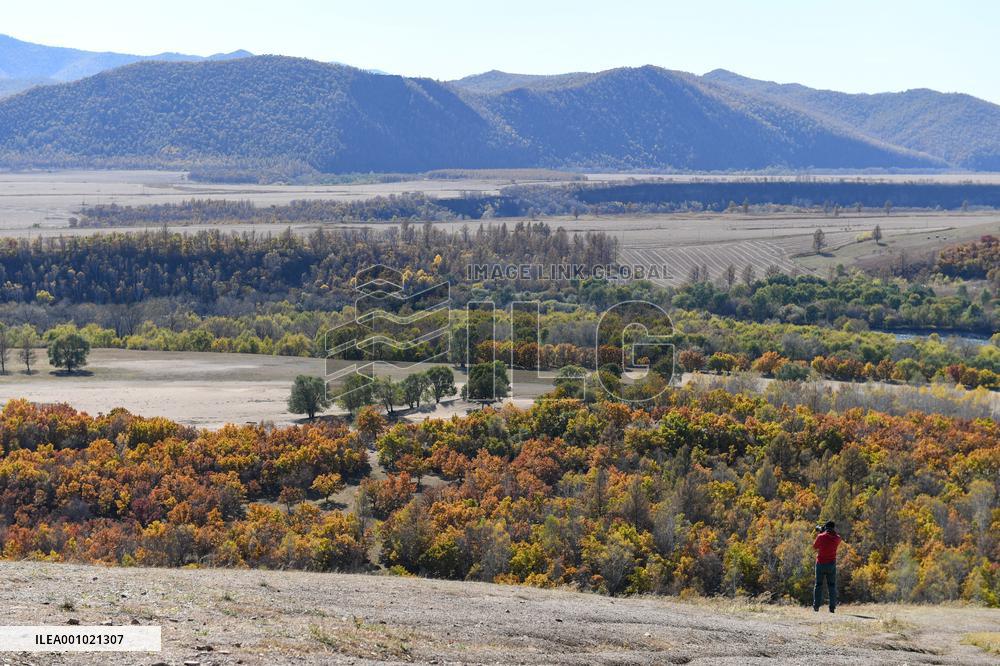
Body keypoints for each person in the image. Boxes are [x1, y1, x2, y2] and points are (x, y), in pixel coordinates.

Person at [813, 520, 842, 613]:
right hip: (831, 564)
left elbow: (814, 546)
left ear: (826, 528)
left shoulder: (820, 537)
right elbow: (835, 537)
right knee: (832, 586)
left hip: (820, 564)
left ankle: (816, 606)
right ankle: (832, 608)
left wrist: (821, 532)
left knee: (818, 585)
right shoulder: (837, 538)